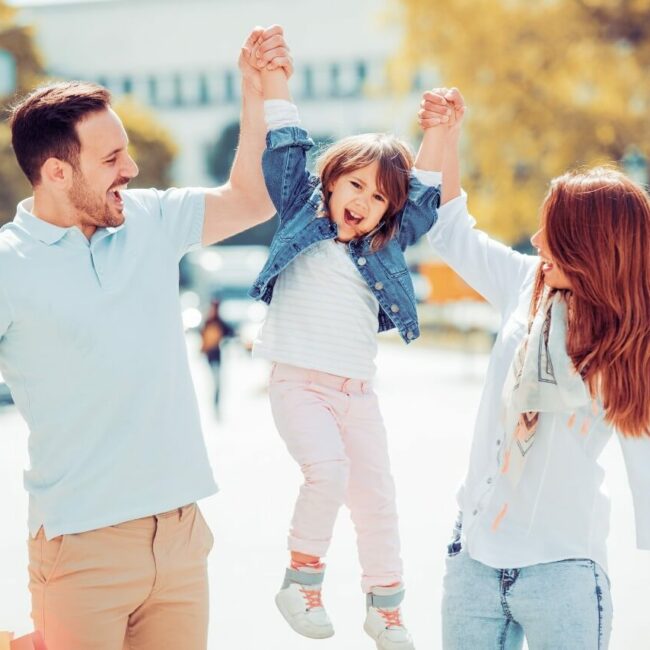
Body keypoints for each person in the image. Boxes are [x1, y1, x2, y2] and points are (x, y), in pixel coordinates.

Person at [0, 26, 291, 650]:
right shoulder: (7, 265)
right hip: (80, 551)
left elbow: (251, 198)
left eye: (127, 152)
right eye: (110, 160)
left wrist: (253, 91)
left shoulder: (151, 220)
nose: (130, 169)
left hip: (180, 539)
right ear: (55, 171)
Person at [420, 88, 650, 649]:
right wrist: (447, 137)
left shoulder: (632, 344)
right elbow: (449, 231)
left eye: (551, 230)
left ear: (588, 247)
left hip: (563, 572)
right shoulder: (526, 285)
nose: (534, 238)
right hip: (474, 561)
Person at [245, 43, 454, 650]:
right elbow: (285, 145)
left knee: (377, 498)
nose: (362, 201)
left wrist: (438, 130)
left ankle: (384, 606)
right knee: (328, 474)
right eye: (354, 185)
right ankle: (301, 583)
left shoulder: (386, 243)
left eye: (379, 196)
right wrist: (275, 76)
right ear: (331, 180)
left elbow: (427, 195)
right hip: (299, 385)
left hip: (357, 394)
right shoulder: (300, 209)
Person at [200, 298, 235, 415]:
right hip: (211, 358)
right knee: (216, 383)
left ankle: (216, 407)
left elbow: (231, 333)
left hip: (217, 358)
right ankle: (214, 407)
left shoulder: (218, 322)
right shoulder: (208, 323)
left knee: (218, 384)